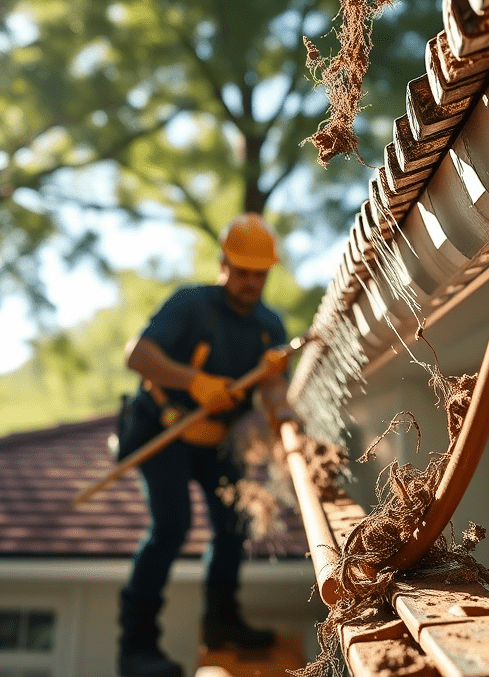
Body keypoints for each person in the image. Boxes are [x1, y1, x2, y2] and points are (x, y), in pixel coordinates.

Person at [116, 213, 299, 677]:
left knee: (233, 526)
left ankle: (222, 624)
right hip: (162, 430)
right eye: (242, 272)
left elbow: (273, 389)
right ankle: (136, 647)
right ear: (223, 265)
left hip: (216, 440)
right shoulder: (191, 306)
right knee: (171, 527)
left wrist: (284, 417)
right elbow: (137, 355)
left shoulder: (269, 326)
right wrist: (193, 382)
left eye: (259, 274)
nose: (250, 282)